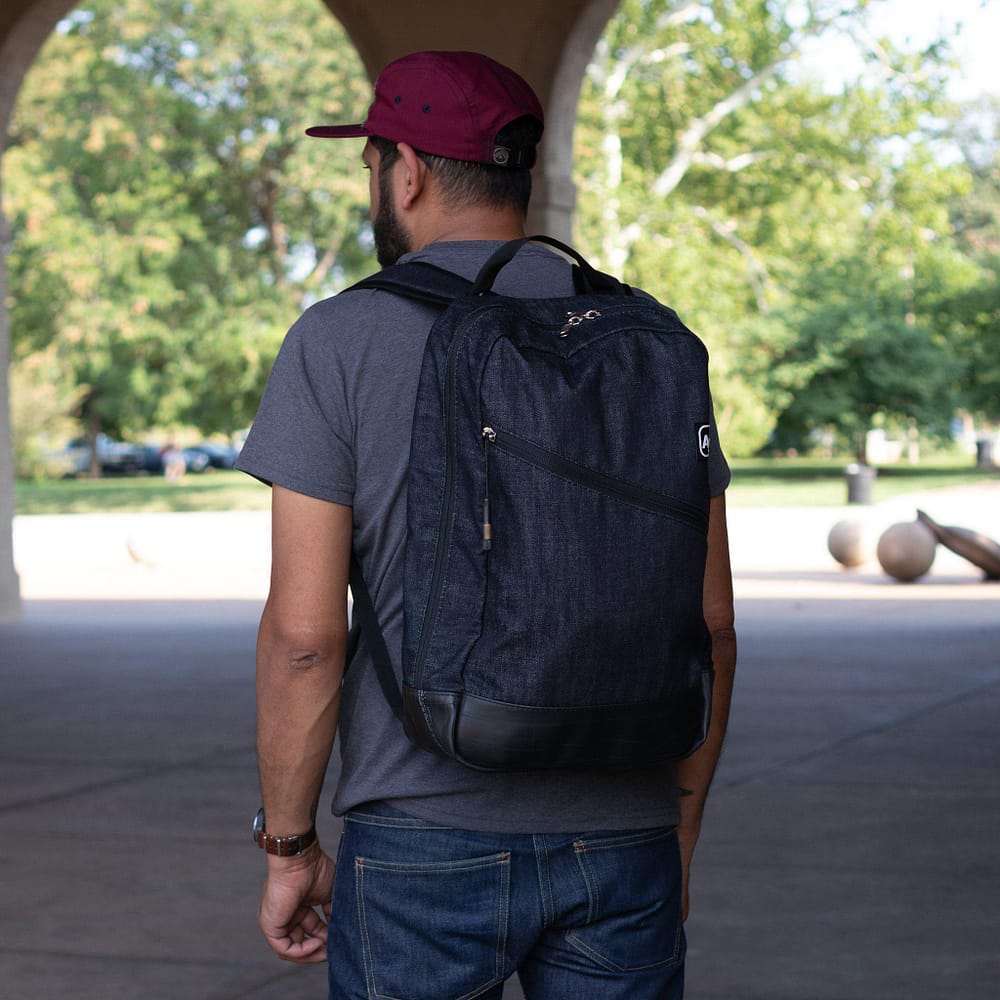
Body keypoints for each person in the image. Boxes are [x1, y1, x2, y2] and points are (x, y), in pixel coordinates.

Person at [237, 50, 737, 999]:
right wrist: (677, 829)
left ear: (408, 171)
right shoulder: (655, 339)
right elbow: (711, 626)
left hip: (422, 838)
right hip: (624, 829)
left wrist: (290, 843)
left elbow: (306, 640)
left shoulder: (341, 340)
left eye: (371, 165)